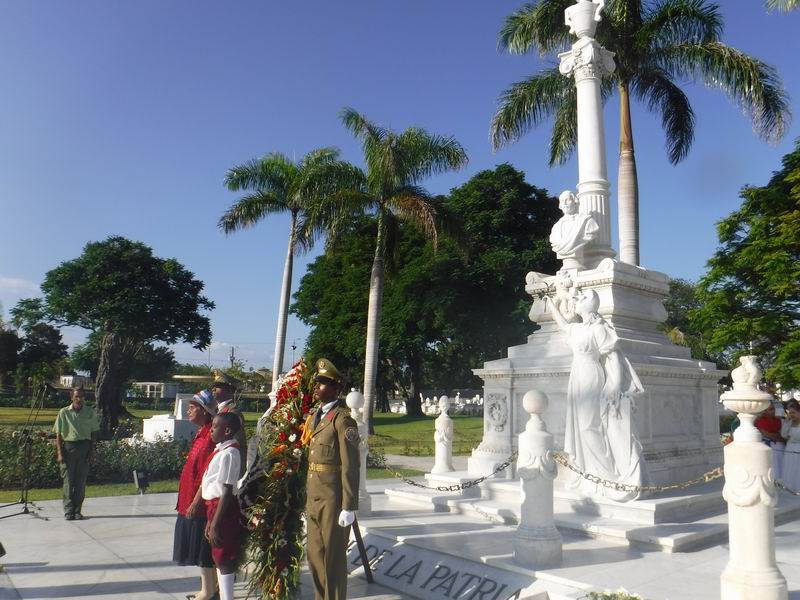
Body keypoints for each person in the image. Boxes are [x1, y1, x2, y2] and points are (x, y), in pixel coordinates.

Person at [551, 289, 646, 501]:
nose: (577, 300)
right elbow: (563, 324)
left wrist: (614, 385)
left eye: (582, 298)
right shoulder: (576, 328)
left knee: (589, 426)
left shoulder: (600, 328)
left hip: (591, 376)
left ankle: (606, 475)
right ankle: (590, 474)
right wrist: (552, 302)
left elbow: (613, 357)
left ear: (592, 305)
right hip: (577, 377)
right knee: (582, 426)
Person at [303, 359, 360, 600]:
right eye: (317, 383)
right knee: (315, 554)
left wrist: (349, 505)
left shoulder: (342, 420)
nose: (317, 387)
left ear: (337, 389)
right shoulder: (316, 416)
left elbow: (350, 464)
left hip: (333, 497)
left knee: (333, 558)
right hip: (314, 495)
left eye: (323, 383)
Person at [173, 389, 218, 600]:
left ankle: (208, 592)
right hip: (188, 499)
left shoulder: (209, 437)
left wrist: (194, 503)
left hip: (199, 505)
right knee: (200, 550)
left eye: (192, 407)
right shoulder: (201, 434)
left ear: (204, 411)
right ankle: (208, 590)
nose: (188, 410)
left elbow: (206, 476)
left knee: (203, 550)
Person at [202, 412, 244, 600]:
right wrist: (211, 521)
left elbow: (227, 491)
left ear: (226, 430)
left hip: (223, 508)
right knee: (217, 556)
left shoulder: (229, 453)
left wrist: (216, 523)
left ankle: (227, 597)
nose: (211, 430)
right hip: (215, 507)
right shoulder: (221, 451)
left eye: (215, 427)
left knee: (223, 555)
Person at [53, 386, 99, 520]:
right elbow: (58, 435)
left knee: (80, 483)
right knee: (68, 482)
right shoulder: (64, 412)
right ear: (71, 397)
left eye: (82, 396)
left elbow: (93, 433)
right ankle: (68, 511)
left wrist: (92, 452)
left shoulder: (89, 412)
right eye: (77, 396)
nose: (79, 399)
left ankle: (78, 510)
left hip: (84, 448)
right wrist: (60, 453)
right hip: (69, 448)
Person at [211, 370, 247, 477]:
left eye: (218, 386)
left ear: (229, 390)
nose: (213, 389)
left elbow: (238, 443)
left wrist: (238, 472)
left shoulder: (233, 412)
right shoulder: (217, 410)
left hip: (227, 465)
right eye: (213, 386)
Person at [549, 190, 599, 261]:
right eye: (562, 201)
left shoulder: (586, 220)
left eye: (568, 200)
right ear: (560, 205)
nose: (565, 203)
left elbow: (591, 234)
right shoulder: (556, 227)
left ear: (575, 202)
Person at [755, 403, 785, 479]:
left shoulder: (779, 420)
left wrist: (778, 437)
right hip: (768, 445)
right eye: (770, 409)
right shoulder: (760, 421)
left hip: (779, 447)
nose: (773, 411)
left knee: (781, 464)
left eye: (773, 409)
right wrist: (777, 437)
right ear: (765, 411)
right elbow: (766, 434)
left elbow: (783, 434)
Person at [780, 400, 800, 490]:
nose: (791, 415)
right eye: (789, 412)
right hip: (790, 448)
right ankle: (789, 488)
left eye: (793, 412)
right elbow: (783, 435)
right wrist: (787, 423)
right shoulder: (789, 422)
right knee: (790, 468)